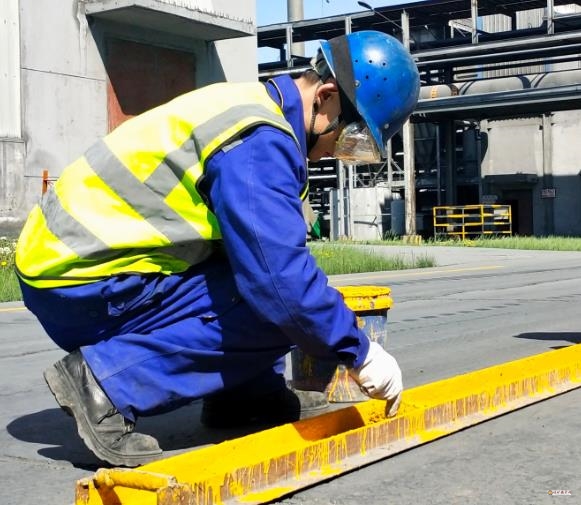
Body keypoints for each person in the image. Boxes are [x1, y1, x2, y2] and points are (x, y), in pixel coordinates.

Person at [15, 30, 420, 467]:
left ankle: (242, 394)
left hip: (73, 268)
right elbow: (279, 280)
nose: (335, 154)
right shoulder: (260, 142)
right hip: (83, 285)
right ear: (324, 97)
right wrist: (359, 352)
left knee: (262, 277)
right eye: (346, 139)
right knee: (279, 300)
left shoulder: (251, 110)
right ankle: (102, 384)